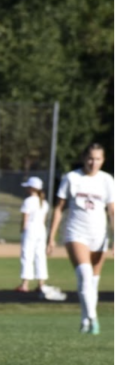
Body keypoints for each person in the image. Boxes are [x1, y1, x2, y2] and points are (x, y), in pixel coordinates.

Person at [47, 142, 115, 334]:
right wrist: (50, 237)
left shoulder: (107, 180)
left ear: (103, 160)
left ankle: (85, 321)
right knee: (84, 275)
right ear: (84, 158)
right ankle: (93, 319)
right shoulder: (71, 178)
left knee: (92, 282)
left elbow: (112, 211)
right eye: (90, 158)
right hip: (76, 233)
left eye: (98, 159)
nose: (93, 163)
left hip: (99, 236)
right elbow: (59, 209)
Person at [15, 177, 63, 300]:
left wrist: (22, 230)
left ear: (31, 188)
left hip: (30, 229)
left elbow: (25, 220)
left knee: (27, 255)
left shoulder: (28, 201)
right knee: (40, 256)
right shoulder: (44, 203)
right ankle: (41, 284)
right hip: (41, 230)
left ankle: (25, 284)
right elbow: (43, 220)